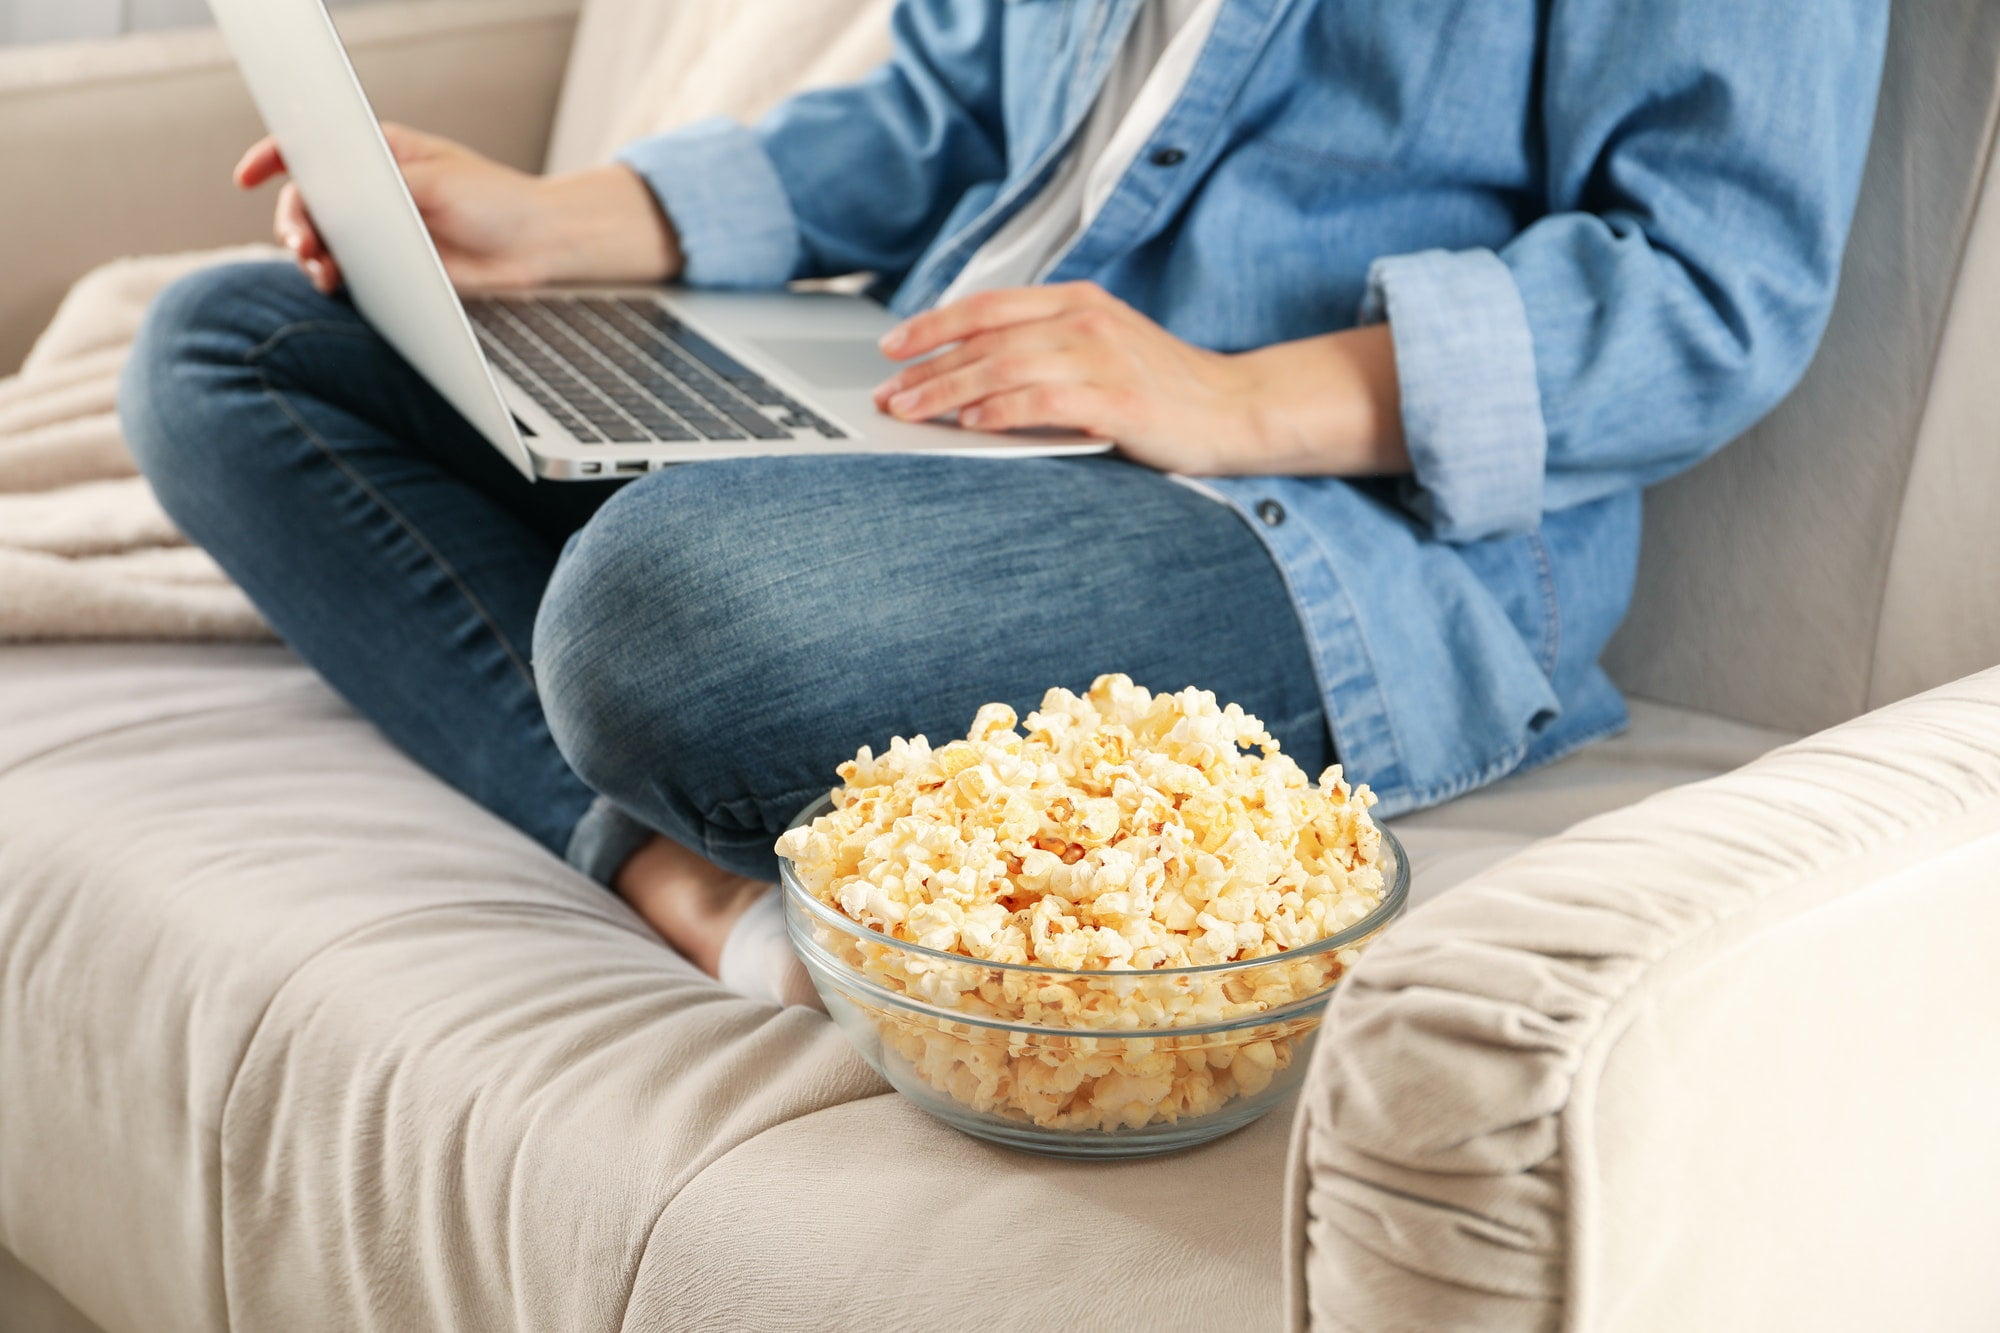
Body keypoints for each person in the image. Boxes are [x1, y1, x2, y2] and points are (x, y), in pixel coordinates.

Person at [120, 0, 1888, 1003]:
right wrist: (574, 221)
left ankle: (665, 792)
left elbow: (1714, 281)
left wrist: (1218, 394)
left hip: (1318, 522)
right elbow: (951, 101)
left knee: (657, 620)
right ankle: (672, 865)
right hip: (942, 398)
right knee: (226, 346)